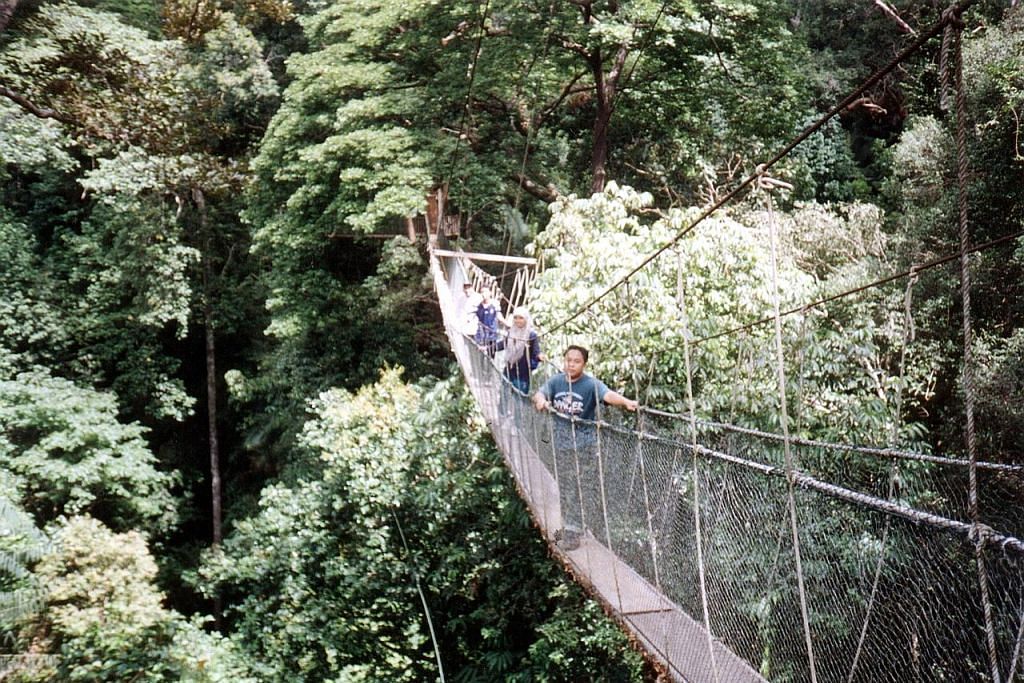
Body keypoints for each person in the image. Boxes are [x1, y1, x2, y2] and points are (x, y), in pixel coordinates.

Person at [533, 345, 638, 551]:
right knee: (566, 486)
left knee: (581, 487)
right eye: (568, 360)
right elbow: (540, 393)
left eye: (576, 361)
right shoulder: (556, 381)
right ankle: (571, 527)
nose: (571, 364)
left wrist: (626, 402)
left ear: (584, 364)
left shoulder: (590, 384)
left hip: (584, 445)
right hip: (561, 445)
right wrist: (541, 401)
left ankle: (574, 531)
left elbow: (608, 395)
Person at [495, 306, 545, 395]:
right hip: (508, 370)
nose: (518, 320)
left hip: (522, 374)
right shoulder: (511, 332)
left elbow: (536, 352)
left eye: (521, 318)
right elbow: (503, 344)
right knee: (504, 395)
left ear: (526, 319)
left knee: (519, 399)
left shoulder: (531, 335)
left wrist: (540, 357)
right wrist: (487, 348)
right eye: (515, 317)